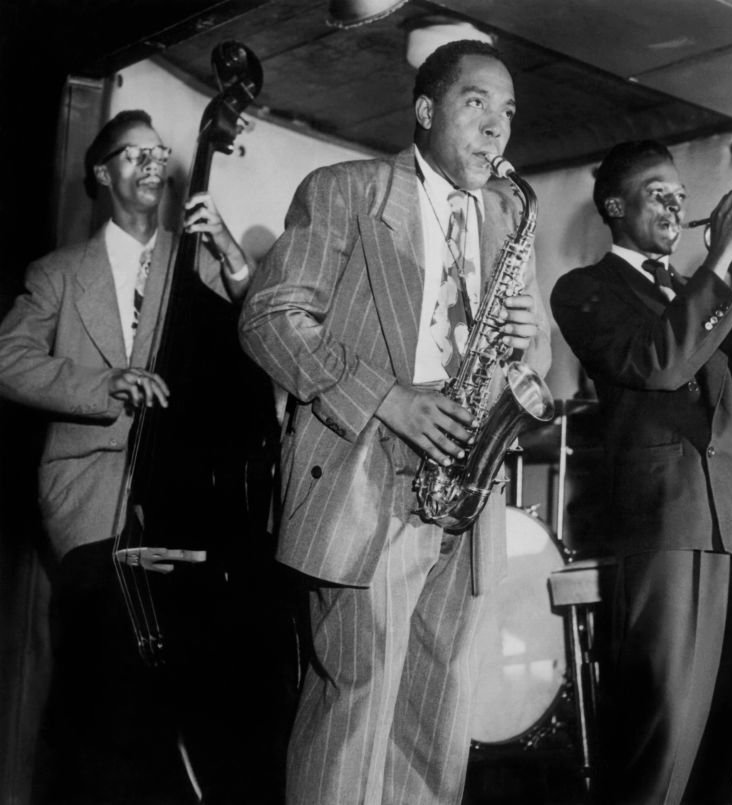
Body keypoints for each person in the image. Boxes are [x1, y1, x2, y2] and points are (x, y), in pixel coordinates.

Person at [238, 40, 551, 805]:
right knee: (354, 717)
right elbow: (268, 318)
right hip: (365, 479)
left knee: (434, 725)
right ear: (426, 109)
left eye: (507, 112)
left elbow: (530, 367)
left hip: (465, 495)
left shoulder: (512, 215)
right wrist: (388, 397)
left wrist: (525, 336)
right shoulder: (346, 189)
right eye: (476, 103)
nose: (496, 128)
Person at [0, 109, 257, 804]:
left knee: (180, 689)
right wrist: (103, 383)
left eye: (159, 153)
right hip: (88, 496)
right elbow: (8, 361)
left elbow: (257, 321)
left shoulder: (191, 255)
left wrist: (233, 257)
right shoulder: (55, 273)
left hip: (175, 497)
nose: (152, 163)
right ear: (102, 171)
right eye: (134, 153)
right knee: (102, 681)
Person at [550, 139, 732, 804]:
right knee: (659, 733)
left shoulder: (695, 291)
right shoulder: (585, 290)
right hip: (664, 518)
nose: (676, 205)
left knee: (718, 736)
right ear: (614, 205)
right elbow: (660, 364)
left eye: (681, 198)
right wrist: (720, 259)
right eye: (659, 193)